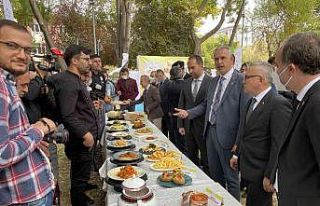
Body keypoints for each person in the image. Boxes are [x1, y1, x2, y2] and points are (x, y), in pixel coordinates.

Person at [174, 46, 249, 200]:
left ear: (232, 60)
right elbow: (205, 105)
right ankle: (218, 202)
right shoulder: (214, 82)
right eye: (216, 59)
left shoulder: (241, 81)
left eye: (223, 58)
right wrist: (188, 113)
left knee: (231, 179)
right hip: (210, 135)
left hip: (229, 140)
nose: (219, 62)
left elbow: (244, 116)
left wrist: (238, 143)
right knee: (215, 177)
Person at [0, 19, 56, 206]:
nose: (22, 55)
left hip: (30, 191)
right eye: (12, 46)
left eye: (27, 50)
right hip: (24, 198)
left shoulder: (7, 82)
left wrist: (32, 144)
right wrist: (39, 128)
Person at [229, 62, 292, 206]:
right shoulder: (251, 101)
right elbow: (245, 131)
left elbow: (279, 145)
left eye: (247, 77)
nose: (243, 81)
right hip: (248, 168)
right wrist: (237, 154)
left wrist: (270, 176)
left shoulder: (278, 104)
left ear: (261, 79)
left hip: (261, 173)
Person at [47, 44, 100, 206]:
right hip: (81, 139)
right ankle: (79, 201)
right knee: (79, 177)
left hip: (83, 137)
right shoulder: (68, 81)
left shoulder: (74, 79)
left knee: (80, 172)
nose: (88, 62)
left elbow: (78, 108)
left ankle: (81, 195)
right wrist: (86, 134)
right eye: (85, 59)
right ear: (74, 61)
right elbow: (67, 114)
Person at [271, 32, 320, 206]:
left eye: (277, 66)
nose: (276, 71)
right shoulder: (304, 97)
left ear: (291, 68)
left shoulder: (316, 102)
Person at [177, 55, 212, 174]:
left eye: (193, 67)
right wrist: (180, 124)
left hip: (204, 127)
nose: (190, 71)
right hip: (188, 126)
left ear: (201, 66)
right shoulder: (186, 83)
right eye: (188, 68)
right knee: (190, 156)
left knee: (206, 158)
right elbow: (182, 103)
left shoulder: (211, 82)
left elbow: (207, 105)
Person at [167, 65, 186, 153]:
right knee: (184, 143)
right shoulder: (186, 85)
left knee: (175, 139)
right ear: (180, 73)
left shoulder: (169, 86)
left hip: (173, 114)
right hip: (184, 116)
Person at [156, 69, 171, 137]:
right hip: (162, 110)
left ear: (161, 75)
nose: (157, 78)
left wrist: (169, 110)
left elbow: (169, 98)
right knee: (164, 129)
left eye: (157, 77)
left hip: (167, 110)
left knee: (170, 130)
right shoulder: (160, 84)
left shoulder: (169, 83)